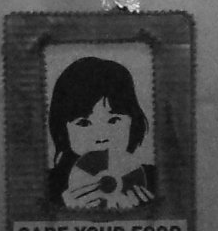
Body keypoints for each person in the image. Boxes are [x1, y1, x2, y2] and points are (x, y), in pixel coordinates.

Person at [48, 55, 160, 212]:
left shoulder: (157, 181)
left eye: (114, 120)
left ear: (133, 121)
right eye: (84, 123)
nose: (101, 137)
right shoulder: (47, 185)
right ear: (62, 129)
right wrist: (63, 210)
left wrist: (149, 212)